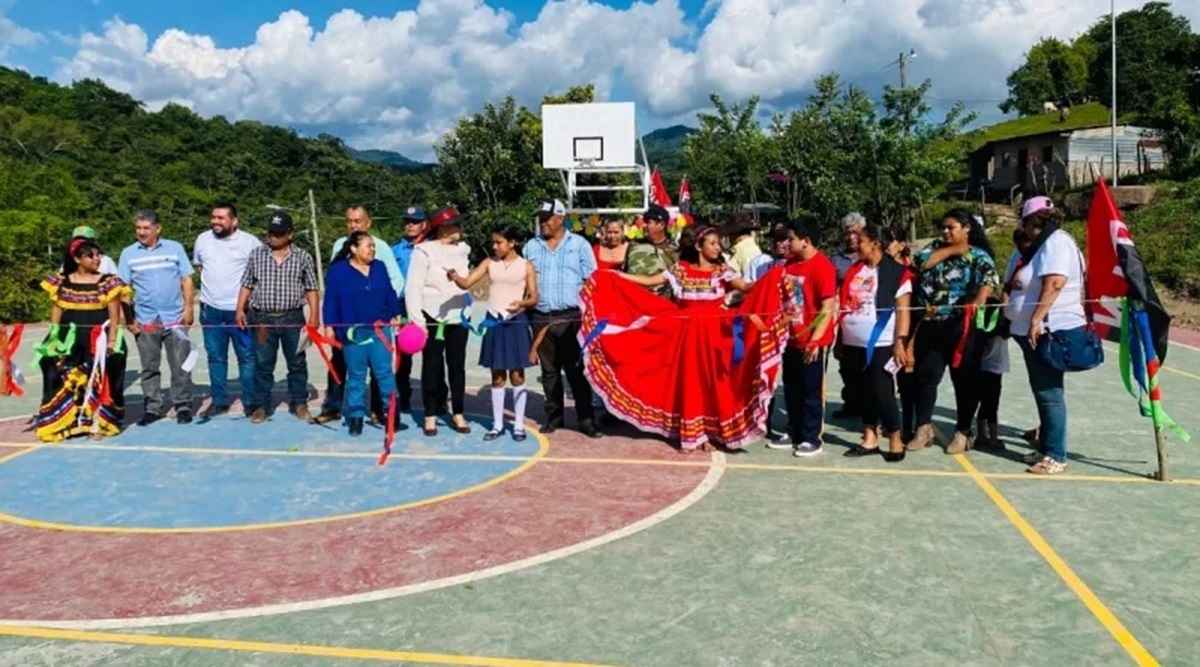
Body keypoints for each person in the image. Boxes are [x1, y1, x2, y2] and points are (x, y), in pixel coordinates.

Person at [579, 225, 789, 452]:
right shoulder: (681, 269)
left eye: (718, 243)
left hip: (715, 339)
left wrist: (772, 276)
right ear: (699, 246)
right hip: (686, 338)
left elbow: (747, 287)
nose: (718, 248)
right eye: (713, 243)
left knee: (714, 384)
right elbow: (651, 281)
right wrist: (618, 275)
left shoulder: (722, 271)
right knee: (689, 383)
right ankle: (693, 434)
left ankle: (711, 431)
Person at [907, 209, 1000, 454]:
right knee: (926, 376)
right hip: (931, 323)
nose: (946, 231)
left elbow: (990, 281)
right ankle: (923, 427)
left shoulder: (978, 256)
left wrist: (978, 301)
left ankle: (963, 431)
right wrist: (951, 250)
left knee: (965, 380)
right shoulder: (934, 249)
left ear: (966, 228)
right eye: (944, 227)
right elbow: (919, 263)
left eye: (952, 227)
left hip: (962, 326)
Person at [1004, 197, 1085, 475]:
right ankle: (1046, 446)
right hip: (1029, 331)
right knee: (1042, 390)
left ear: (1030, 221)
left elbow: (1054, 283)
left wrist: (1036, 319)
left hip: (1049, 329)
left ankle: (1055, 455)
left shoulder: (1057, 242)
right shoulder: (1040, 246)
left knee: (1050, 392)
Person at [449, 226, 540, 441]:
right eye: (493, 242)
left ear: (512, 243)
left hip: (515, 321)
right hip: (494, 321)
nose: (494, 246)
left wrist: (522, 304)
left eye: (499, 242)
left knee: (517, 374)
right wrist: (454, 277)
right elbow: (467, 283)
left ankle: (518, 426)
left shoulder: (526, 266)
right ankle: (497, 425)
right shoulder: (489, 263)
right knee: (497, 375)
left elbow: (534, 297)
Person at [313, 205, 402, 425]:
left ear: (367, 222)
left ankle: (387, 413)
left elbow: (393, 287)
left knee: (383, 373)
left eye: (357, 221)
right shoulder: (338, 265)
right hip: (350, 331)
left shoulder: (381, 259)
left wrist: (395, 313)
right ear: (353, 249)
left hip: (379, 330)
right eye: (349, 221)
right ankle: (349, 414)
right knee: (353, 374)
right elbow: (332, 297)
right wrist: (330, 324)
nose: (353, 224)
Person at [35, 239, 129, 441]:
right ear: (77, 258)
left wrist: (112, 340)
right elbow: (57, 310)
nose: (96, 259)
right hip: (69, 337)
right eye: (90, 255)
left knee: (101, 376)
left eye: (98, 255)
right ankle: (63, 422)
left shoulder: (108, 282)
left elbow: (114, 315)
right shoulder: (62, 281)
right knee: (57, 371)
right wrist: (53, 338)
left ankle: (99, 423)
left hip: (99, 337)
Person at [525, 199, 602, 438]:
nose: (543, 223)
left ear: (560, 218)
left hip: (572, 317)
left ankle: (586, 419)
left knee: (576, 370)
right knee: (549, 372)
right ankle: (553, 416)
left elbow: (593, 281)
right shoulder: (531, 247)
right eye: (541, 218)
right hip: (540, 316)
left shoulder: (580, 245)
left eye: (547, 218)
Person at [838, 225, 913, 462]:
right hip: (852, 342)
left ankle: (894, 437)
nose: (855, 244)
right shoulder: (855, 269)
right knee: (862, 391)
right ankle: (869, 437)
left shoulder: (895, 272)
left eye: (860, 240)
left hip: (881, 341)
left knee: (882, 391)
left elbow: (903, 310)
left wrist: (900, 342)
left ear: (875, 244)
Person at [235, 212, 320, 424]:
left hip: (292, 318)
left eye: (278, 233)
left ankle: (298, 402)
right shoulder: (257, 255)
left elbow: (311, 289)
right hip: (263, 319)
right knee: (263, 364)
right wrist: (239, 309)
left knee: (297, 363)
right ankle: (261, 406)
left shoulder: (303, 257)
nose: (272, 237)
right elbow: (247, 284)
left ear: (289, 234)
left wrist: (315, 316)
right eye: (271, 233)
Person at [117, 210, 195, 425]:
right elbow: (123, 289)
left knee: (180, 364)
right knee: (149, 366)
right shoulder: (128, 254)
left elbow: (186, 280)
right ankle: (153, 407)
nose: (141, 232)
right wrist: (130, 320)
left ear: (158, 229)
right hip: (146, 319)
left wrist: (189, 309)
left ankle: (183, 405)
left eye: (146, 228)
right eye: (138, 228)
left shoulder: (175, 248)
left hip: (175, 317)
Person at [768, 218, 837, 456]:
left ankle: (811, 437)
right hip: (790, 338)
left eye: (792, 239)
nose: (787, 243)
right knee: (792, 387)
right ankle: (794, 430)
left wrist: (815, 340)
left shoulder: (822, 267)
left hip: (812, 340)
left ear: (806, 241)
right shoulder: (789, 265)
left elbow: (827, 308)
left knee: (811, 390)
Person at [406, 206, 473, 437]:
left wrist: (468, 308)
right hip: (431, 315)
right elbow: (413, 288)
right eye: (455, 224)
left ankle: (458, 412)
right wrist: (417, 321)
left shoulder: (464, 249)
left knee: (457, 365)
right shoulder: (423, 251)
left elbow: (467, 281)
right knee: (432, 366)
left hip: (459, 316)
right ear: (443, 229)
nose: (459, 228)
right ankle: (430, 415)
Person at [193, 202, 261, 419]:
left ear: (234, 221)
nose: (216, 222)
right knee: (216, 358)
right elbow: (200, 267)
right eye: (213, 217)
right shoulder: (203, 239)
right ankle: (219, 401)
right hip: (211, 310)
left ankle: (251, 401)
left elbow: (260, 273)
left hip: (241, 312)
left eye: (221, 218)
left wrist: (245, 303)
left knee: (247, 357)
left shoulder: (250, 242)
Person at [390, 205, 428, 412]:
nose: (410, 225)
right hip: (402, 306)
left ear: (424, 225)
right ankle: (403, 397)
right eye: (407, 221)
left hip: (427, 304)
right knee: (402, 356)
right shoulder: (395, 249)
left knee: (432, 355)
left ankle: (436, 398)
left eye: (414, 221)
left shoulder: (432, 247)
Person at [832, 212, 866, 420]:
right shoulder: (836, 259)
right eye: (847, 232)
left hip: (868, 315)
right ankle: (851, 403)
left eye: (855, 232)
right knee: (847, 365)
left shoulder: (872, 255)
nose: (851, 237)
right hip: (844, 318)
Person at [622, 204, 678, 299]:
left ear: (661, 225)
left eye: (649, 222)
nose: (644, 225)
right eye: (645, 222)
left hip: (663, 304)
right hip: (634, 300)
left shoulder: (675, 249)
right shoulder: (634, 245)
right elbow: (625, 271)